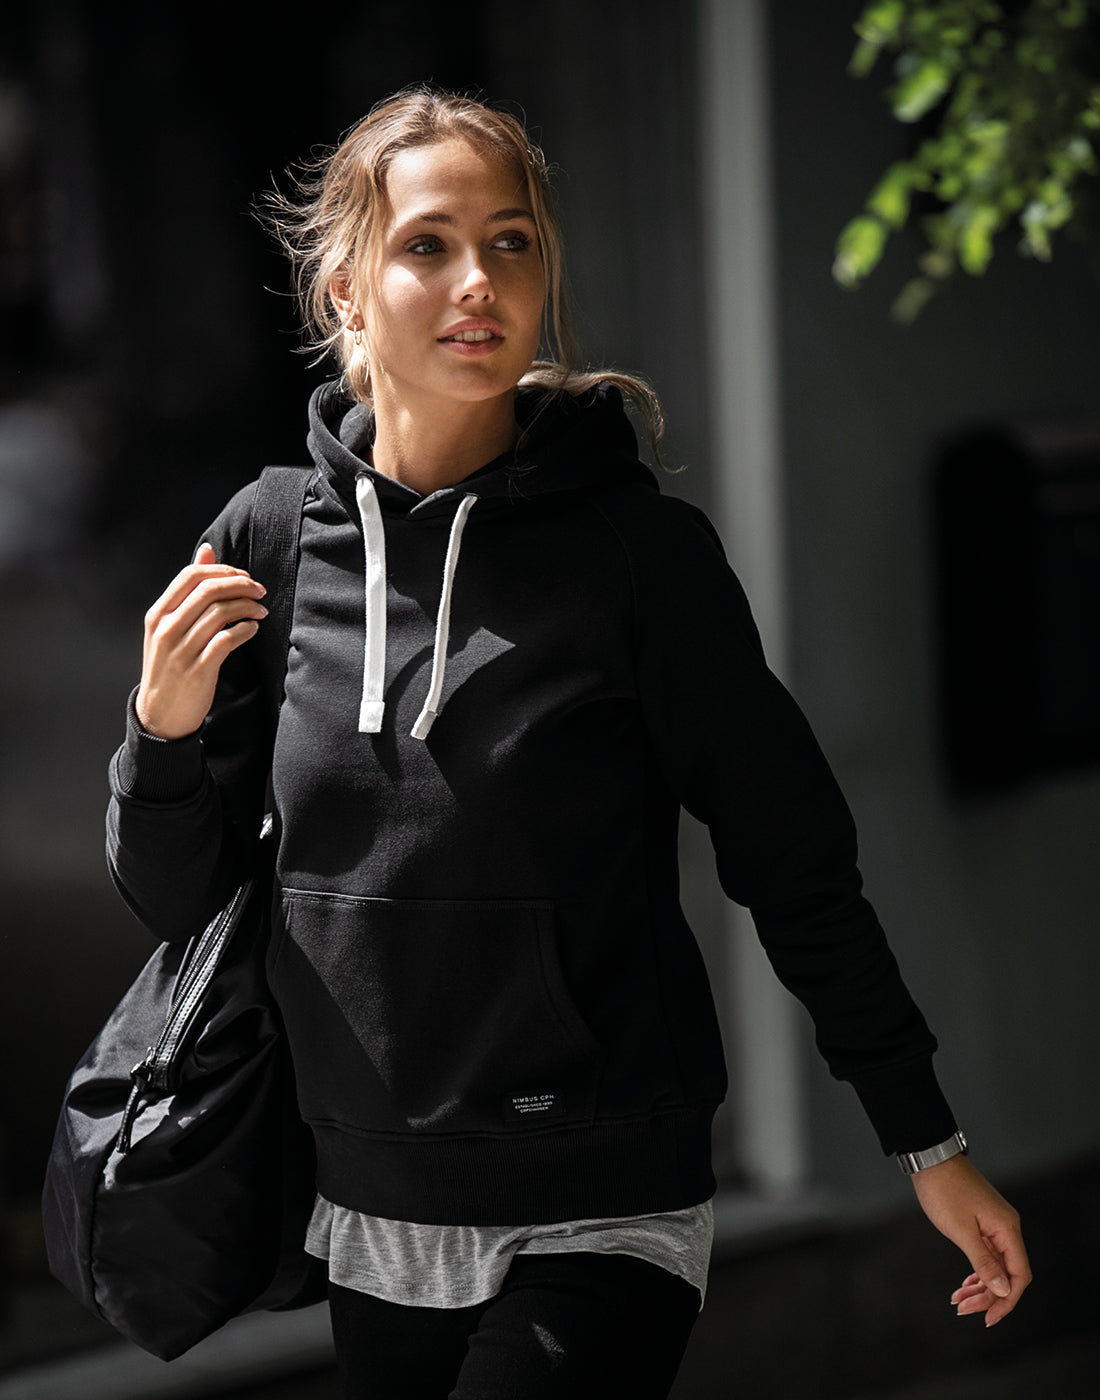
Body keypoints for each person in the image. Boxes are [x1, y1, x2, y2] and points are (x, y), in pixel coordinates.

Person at [106, 86, 1031, 1399]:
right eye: (429, 244)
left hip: (601, 1197)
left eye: (513, 241)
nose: (479, 280)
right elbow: (179, 905)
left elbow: (796, 860)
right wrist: (160, 735)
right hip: (373, 1213)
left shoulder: (640, 558)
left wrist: (922, 1136)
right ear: (346, 289)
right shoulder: (268, 542)